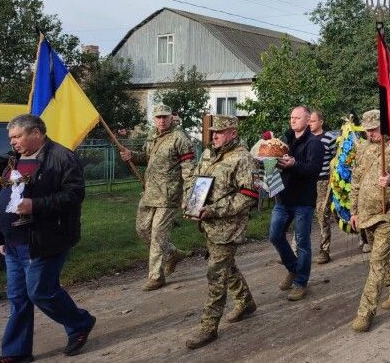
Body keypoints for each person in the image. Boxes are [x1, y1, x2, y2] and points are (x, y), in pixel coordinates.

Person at [0, 114, 96, 360]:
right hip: (13, 243)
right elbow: (2, 198)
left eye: (17, 136)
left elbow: (74, 196)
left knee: (40, 292)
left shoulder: (62, 157)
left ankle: (80, 323)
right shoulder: (14, 159)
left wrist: (35, 205)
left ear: (36, 133)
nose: (13, 142)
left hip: (44, 240)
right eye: (11, 138)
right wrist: (0, 236)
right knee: (18, 298)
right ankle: (16, 353)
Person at [184, 115, 259, 350]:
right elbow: (198, 181)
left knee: (216, 274)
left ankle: (208, 327)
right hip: (207, 223)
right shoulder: (208, 154)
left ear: (232, 134)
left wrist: (214, 210)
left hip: (228, 227)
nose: (214, 135)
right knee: (226, 266)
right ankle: (246, 301)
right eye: (212, 131)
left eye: (220, 132)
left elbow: (249, 196)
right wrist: (191, 202)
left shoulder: (243, 159)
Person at [120, 104, 195, 291]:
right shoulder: (152, 135)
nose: (162, 120)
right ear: (154, 119)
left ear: (171, 118)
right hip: (149, 192)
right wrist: (132, 156)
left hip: (169, 195)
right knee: (142, 229)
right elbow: (146, 157)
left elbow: (189, 170)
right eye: (158, 117)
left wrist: (189, 195)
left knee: (158, 236)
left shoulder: (180, 138)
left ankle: (156, 276)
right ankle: (173, 253)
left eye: (165, 117)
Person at [348, 110, 390, 332]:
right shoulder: (363, 148)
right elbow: (355, 180)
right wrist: (354, 211)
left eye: (373, 129)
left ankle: (365, 313)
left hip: (388, 213)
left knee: (376, 262)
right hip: (366, 214)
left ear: (383, 127)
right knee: (383, 260)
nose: (369, 133)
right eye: (367, 130)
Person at [269, 106, 324, 302]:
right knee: (275, 235)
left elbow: (314, 170)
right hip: (283, 197)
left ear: (308, 120)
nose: (292, 121)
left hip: (303, 200)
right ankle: (293, 268)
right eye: (291, 117)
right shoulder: (285, 140)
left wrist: (295, 165)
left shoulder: (315, 143)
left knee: (302, 242)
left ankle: (301, 282)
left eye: (297, 118)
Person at [308, 110, 338, 265]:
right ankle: (295, 250)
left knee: (322, 216)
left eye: (312, 121)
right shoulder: (305, 138)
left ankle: (324, 250)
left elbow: (336, 157)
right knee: (302, 213)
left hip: (323, 182)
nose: (309, 123)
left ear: (321, 122)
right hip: (307, 181)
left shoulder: (329, 138)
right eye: (308, 121)